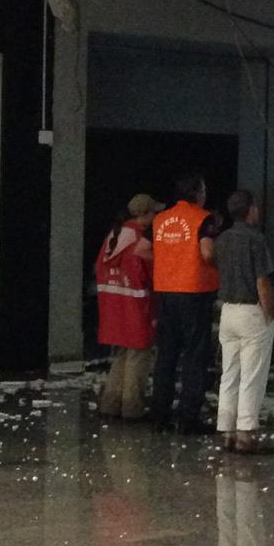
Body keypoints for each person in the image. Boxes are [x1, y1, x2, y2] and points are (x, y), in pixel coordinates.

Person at [151, 172, 219, 434]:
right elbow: (207, 252)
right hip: (194, 291)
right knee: (194, 355)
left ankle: (159, 414)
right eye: (203, 190)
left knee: (166, 355)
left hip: (166, 291)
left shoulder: (160, 219)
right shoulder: (203, 219)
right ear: (197, 193)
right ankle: (189, 418)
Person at [214, 189, 274, 455]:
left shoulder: (222, 239)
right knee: (252, 377)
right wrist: (269, 313)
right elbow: (262, 281)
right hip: (251, 312)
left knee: (230, 374)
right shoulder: (256, 239)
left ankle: (226, 432)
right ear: (250, 209)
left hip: (227, 310)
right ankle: (246, 435)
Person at [95, 193, 163, 420]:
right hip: (136, 306)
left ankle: (110, 403)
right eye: (154, 212)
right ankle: (132, 408)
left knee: (121, 355)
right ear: (144, 215)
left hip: (113, 306)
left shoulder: (114, 236)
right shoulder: (139, 239)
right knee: (138, 357)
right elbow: (151, 274)